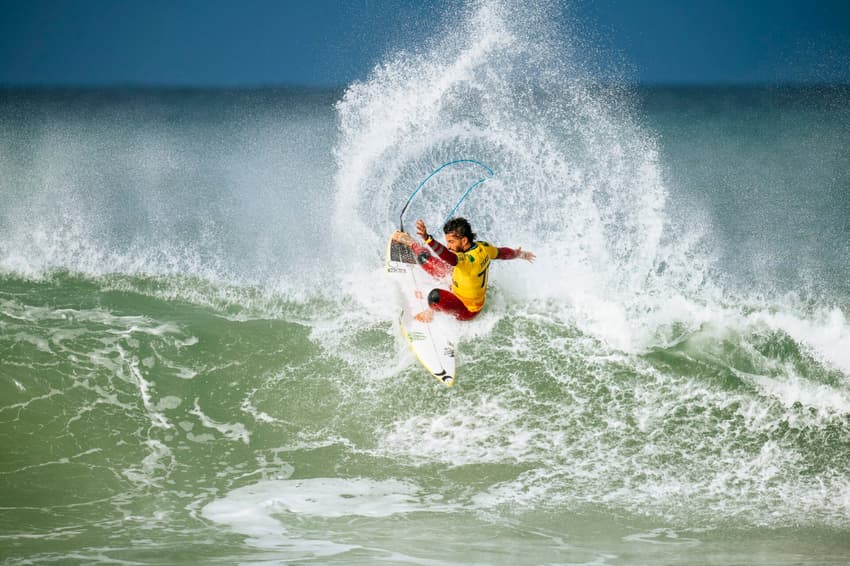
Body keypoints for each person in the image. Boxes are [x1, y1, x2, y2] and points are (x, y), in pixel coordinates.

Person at [393, 217, 535, 322]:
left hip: (466, 309)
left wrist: (428, 239)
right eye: (448, 241)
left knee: (434, 297)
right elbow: (502, 253)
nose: (448, 245)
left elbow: (449, 257)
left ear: (464, 240)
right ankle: (411, 243)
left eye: (451, 242)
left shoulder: (467, 260)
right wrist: (519, 254)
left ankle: (430, 313)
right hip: (456, 280)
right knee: (424, 258)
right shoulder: (483, 247)